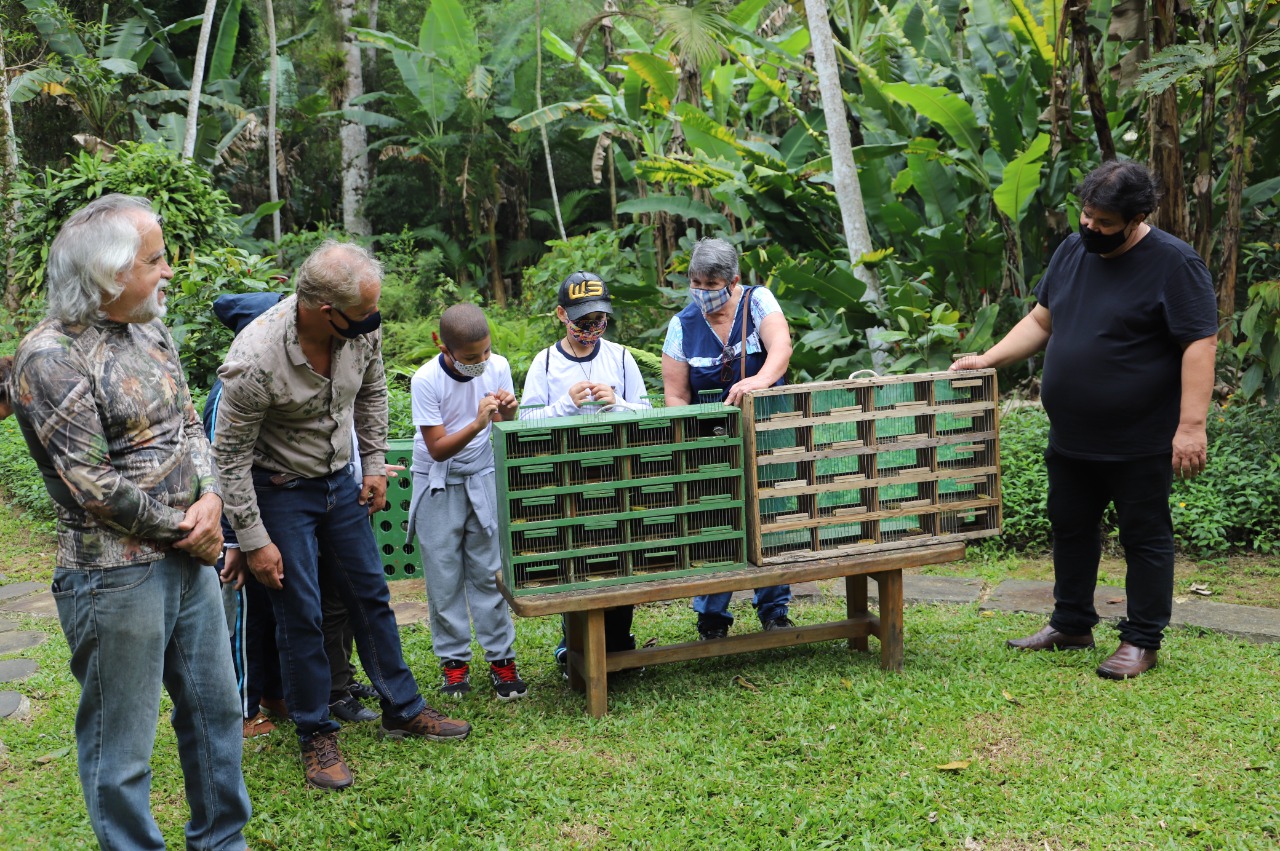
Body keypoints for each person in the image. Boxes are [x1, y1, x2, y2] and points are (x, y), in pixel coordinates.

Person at [10, 194, 250, 848]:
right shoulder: (50, 355)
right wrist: (189, 529)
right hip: (114, 580)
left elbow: (187, 426)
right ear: (111, 275)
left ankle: (222, 840)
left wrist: (211, 496)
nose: (169, 269)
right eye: (156, 258)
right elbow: (92, 485)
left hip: (188, 558)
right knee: (122, 745)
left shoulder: (150, 326)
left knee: (216, 712)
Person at [213, 241, 470, 791]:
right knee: (299, 611)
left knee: (370, 595)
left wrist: (373, 464)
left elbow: (373, 392)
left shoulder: (360, 330)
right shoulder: (255, 358)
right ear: (324, 310)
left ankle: (402, 707)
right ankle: (315, 734)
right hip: (280, 489)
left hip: (340, 482)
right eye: (365, 312)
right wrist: (253, 539)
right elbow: (228, 456)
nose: (375, 321)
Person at [952, 160, 1218, 679]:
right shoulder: (1074, 248)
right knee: (1070, 528)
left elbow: (1199, 343)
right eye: (1086, 215)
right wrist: (988, 359)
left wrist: (1191, 425)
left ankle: (1142, 640)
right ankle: (1071, 622)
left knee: (1145, 537)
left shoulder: (1174, 263)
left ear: (1138, 217)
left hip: (1139, 437)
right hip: (1072, 435)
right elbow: (1042, 318)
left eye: (1104, 222)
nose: (1090, 227)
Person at [202, 292, 380, 739]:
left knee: (287, 611)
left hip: (288, 515)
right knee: (249, 620)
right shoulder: (237, 384)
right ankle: (245, 708)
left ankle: (278, 695)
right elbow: (223, 469)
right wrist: (236, 542)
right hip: (246, 530)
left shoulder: (324, 360)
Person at [661, 237, 796, 640]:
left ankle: (774, 611)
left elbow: (781, 348)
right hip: (711, 444)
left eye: (710, 284)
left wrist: (756, 382)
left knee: (769, 517)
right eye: (695, 282)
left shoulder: (758, 302)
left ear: (733, 281)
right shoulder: (681, 325)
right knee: (714, 522)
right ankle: (712, 619)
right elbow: (676, 393)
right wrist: (688, 438)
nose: (702, 291)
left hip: (767, 434)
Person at [521, 271, 650, 670]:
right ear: (561, 314)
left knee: (621, 556)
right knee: (576, 559)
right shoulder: (544, 364)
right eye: (583, 321)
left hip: (618, 478)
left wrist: (617, 403)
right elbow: (524, 424)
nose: (592, 329)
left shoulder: (622, 358)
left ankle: (621, 641)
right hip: (568, 481)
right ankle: (572, 643)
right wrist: (563, 406)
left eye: (599, 320)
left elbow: (646, 412)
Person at [408, 303, 527, 699]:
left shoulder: (498, 366)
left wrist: (507, 414)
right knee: (443, 580)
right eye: (471, 357)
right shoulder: (425, 381)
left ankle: (502, 663)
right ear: (443, 347)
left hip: (482, 477)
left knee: (489, 573)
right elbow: (437, 448)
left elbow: (505, 428)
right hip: (437, 483)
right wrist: (476, 422)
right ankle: (454, 665)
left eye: (486, 352)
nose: (482, 362)